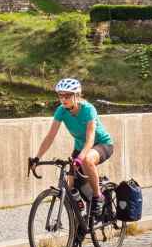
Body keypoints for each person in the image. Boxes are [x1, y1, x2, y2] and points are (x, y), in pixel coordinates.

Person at [28, 78, 115, 218]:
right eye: (60, 95)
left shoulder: (88, 110)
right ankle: (80, 223)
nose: (63, 99)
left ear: (77, 95)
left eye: (67, 95)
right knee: (71, 186)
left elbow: (90, 140)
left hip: (101, 144)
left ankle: (98, 197)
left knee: (87, 160)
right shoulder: (61, 111)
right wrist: (37, 157)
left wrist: (80, 159)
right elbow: (50, 136)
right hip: (80, 148)